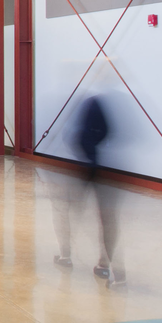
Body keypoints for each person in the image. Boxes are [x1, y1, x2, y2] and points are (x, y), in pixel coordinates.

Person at [52, 95, 122, 287]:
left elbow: (76, 136)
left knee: (65, 209)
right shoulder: (107, 100)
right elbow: (108, 131)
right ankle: (106, 265)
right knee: (107, 217)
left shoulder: (86, 100)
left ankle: (66, 255)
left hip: (86, 164)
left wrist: (85, 153)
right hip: (108, 166)